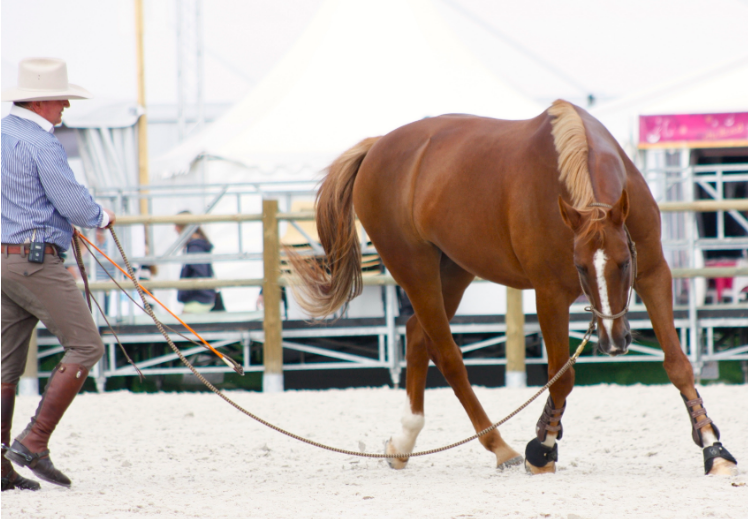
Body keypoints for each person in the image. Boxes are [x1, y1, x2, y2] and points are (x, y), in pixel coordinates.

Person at [1, 57, 116, 491]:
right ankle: (33, 441)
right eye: (62, 97)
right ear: (43, 101)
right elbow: (74, 204)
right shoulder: (42, 143)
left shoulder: (2, 133)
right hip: (34, 260)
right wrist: (102, 217)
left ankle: (0, 465)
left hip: (2, 260)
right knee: (86, 346)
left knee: (4, 364)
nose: (67, 104)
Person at [175, 212, 218, 313]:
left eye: (176, 225)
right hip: (201, 299)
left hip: (197, 300)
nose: (175, 229)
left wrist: (188, 291)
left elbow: (200, 273)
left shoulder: (195, 247)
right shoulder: (197, 245)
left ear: (183, 227)